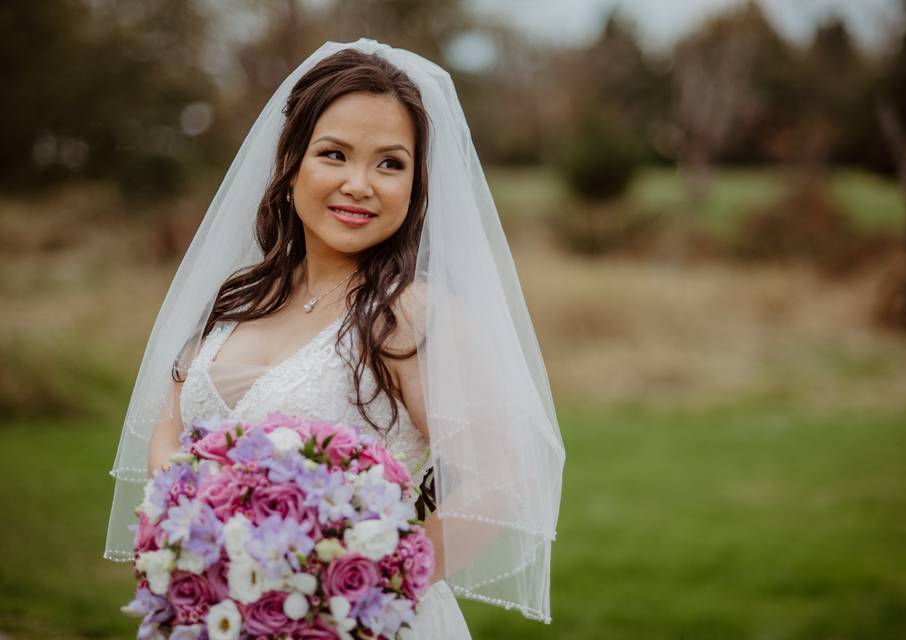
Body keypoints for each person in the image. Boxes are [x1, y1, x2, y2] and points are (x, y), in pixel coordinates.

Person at [104, 38, 565, 638]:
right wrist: (207, 553)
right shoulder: (241, 295)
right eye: (334, 154)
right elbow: (169, 440)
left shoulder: (407, 314)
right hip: (218, 615)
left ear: (418, 183)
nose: (359, 184)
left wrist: (352, 589)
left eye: (390, 163)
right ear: (291, 161)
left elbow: (501, 480)